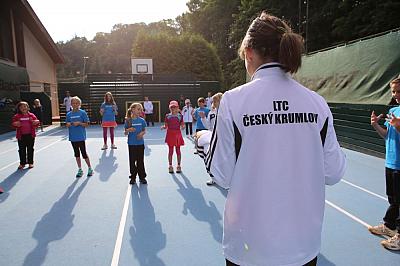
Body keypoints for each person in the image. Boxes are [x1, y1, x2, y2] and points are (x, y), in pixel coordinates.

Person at [205, 11, 346, 266]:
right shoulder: (317, 104)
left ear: (248, 52)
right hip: (303, 248)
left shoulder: (233, 101)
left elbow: (221, 175)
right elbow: (334, 172)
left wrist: (206, 141)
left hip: (248, 250)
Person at [369, 76, 400, 251]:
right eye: (393, 91)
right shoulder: (394, 110)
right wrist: (376, 126)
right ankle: (389, 226)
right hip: (391, 162)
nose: (395, 95)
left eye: (399, 91)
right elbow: (387, 136)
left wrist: (398, 126)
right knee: (393, 199)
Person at [195, 92, 223, 185]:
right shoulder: (211, 112)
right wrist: (203, 118)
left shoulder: (228, 112)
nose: (214, 103)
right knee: (211, 158)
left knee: (223, 159)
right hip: (212, 138)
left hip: (223, 139)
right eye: (213, 101)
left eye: (215, 101)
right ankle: (213, 178)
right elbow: (208, 126)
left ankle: (224, 178)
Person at [66, 96, 93, 178]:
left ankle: (89, 168)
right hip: (73, 137)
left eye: (77, 103)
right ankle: (80, 169)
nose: (75, 104)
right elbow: (67, 124)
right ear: (71, 104)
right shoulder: (68, 114)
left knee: (84, 153)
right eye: (73, 103)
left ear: (79, 104)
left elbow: (87, 124)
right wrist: (68, 124)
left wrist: (79, 123)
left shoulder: (82, 113)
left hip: (80, 137)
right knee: (76, 154)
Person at [12, 102, 40, 169]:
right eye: (21, 107)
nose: (23, 108)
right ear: (19, 108)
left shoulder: (31, 115)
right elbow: (13, 124)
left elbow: (36, 123)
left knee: (30, 149)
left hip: (30, 135)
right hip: (21, 136)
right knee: (21, 150)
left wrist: (36, 122)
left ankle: (30, 163)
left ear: (28, 107)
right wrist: (15, 124)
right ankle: (22, 163)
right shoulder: (17, 116)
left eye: (25, 106)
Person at [125, 103, 147, 185]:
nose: (140, 111)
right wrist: (128, 130)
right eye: (138, 109)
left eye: (141, 110)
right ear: (133, 109)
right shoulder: (128, 121)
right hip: (131, 144)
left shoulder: (142, 120)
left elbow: (144, 130)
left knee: (140, 160)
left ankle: (142, 177)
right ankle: (133, 177)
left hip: (140, 144)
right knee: (132, 161)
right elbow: (125, 133)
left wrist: (141, 134)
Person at [162, 100, 185, 173]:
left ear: (177, 107)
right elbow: (166, 125)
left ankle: (178, 165)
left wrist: (183, 126)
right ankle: (170, 165)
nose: (173, 108)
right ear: (169, 108)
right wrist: (164, 127)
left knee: (178, 150)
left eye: (174, 107)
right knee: (170, 150)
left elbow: (182, 124)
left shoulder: (180, 116)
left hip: (177, 134)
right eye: (172, 107)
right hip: (170, 134)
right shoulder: (167, 116)